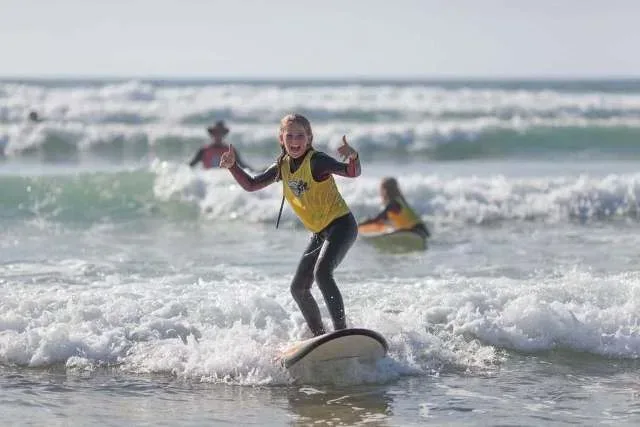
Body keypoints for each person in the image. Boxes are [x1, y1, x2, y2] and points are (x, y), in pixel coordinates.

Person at [219, 113, 361, 337]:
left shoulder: (317, 161)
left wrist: (353, 157)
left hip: (341, 225)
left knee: (323, 274)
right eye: (290, 135)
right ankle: (320, 337)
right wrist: (233, 166)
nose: (295, 141)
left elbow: (352, 172)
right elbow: (251, 185)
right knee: (299, 289)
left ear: (309, 138)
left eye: (300, 136)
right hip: (320, 232)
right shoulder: (282, 166)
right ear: (281, 138)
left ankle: (342, 333)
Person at [358, 177, 430, 239]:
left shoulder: (393, 204)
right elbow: (385, 221)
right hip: (423, 231)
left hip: (413, 232)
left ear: (385, 190)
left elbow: (378, 219)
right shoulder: (401, 202)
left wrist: (359, 225)